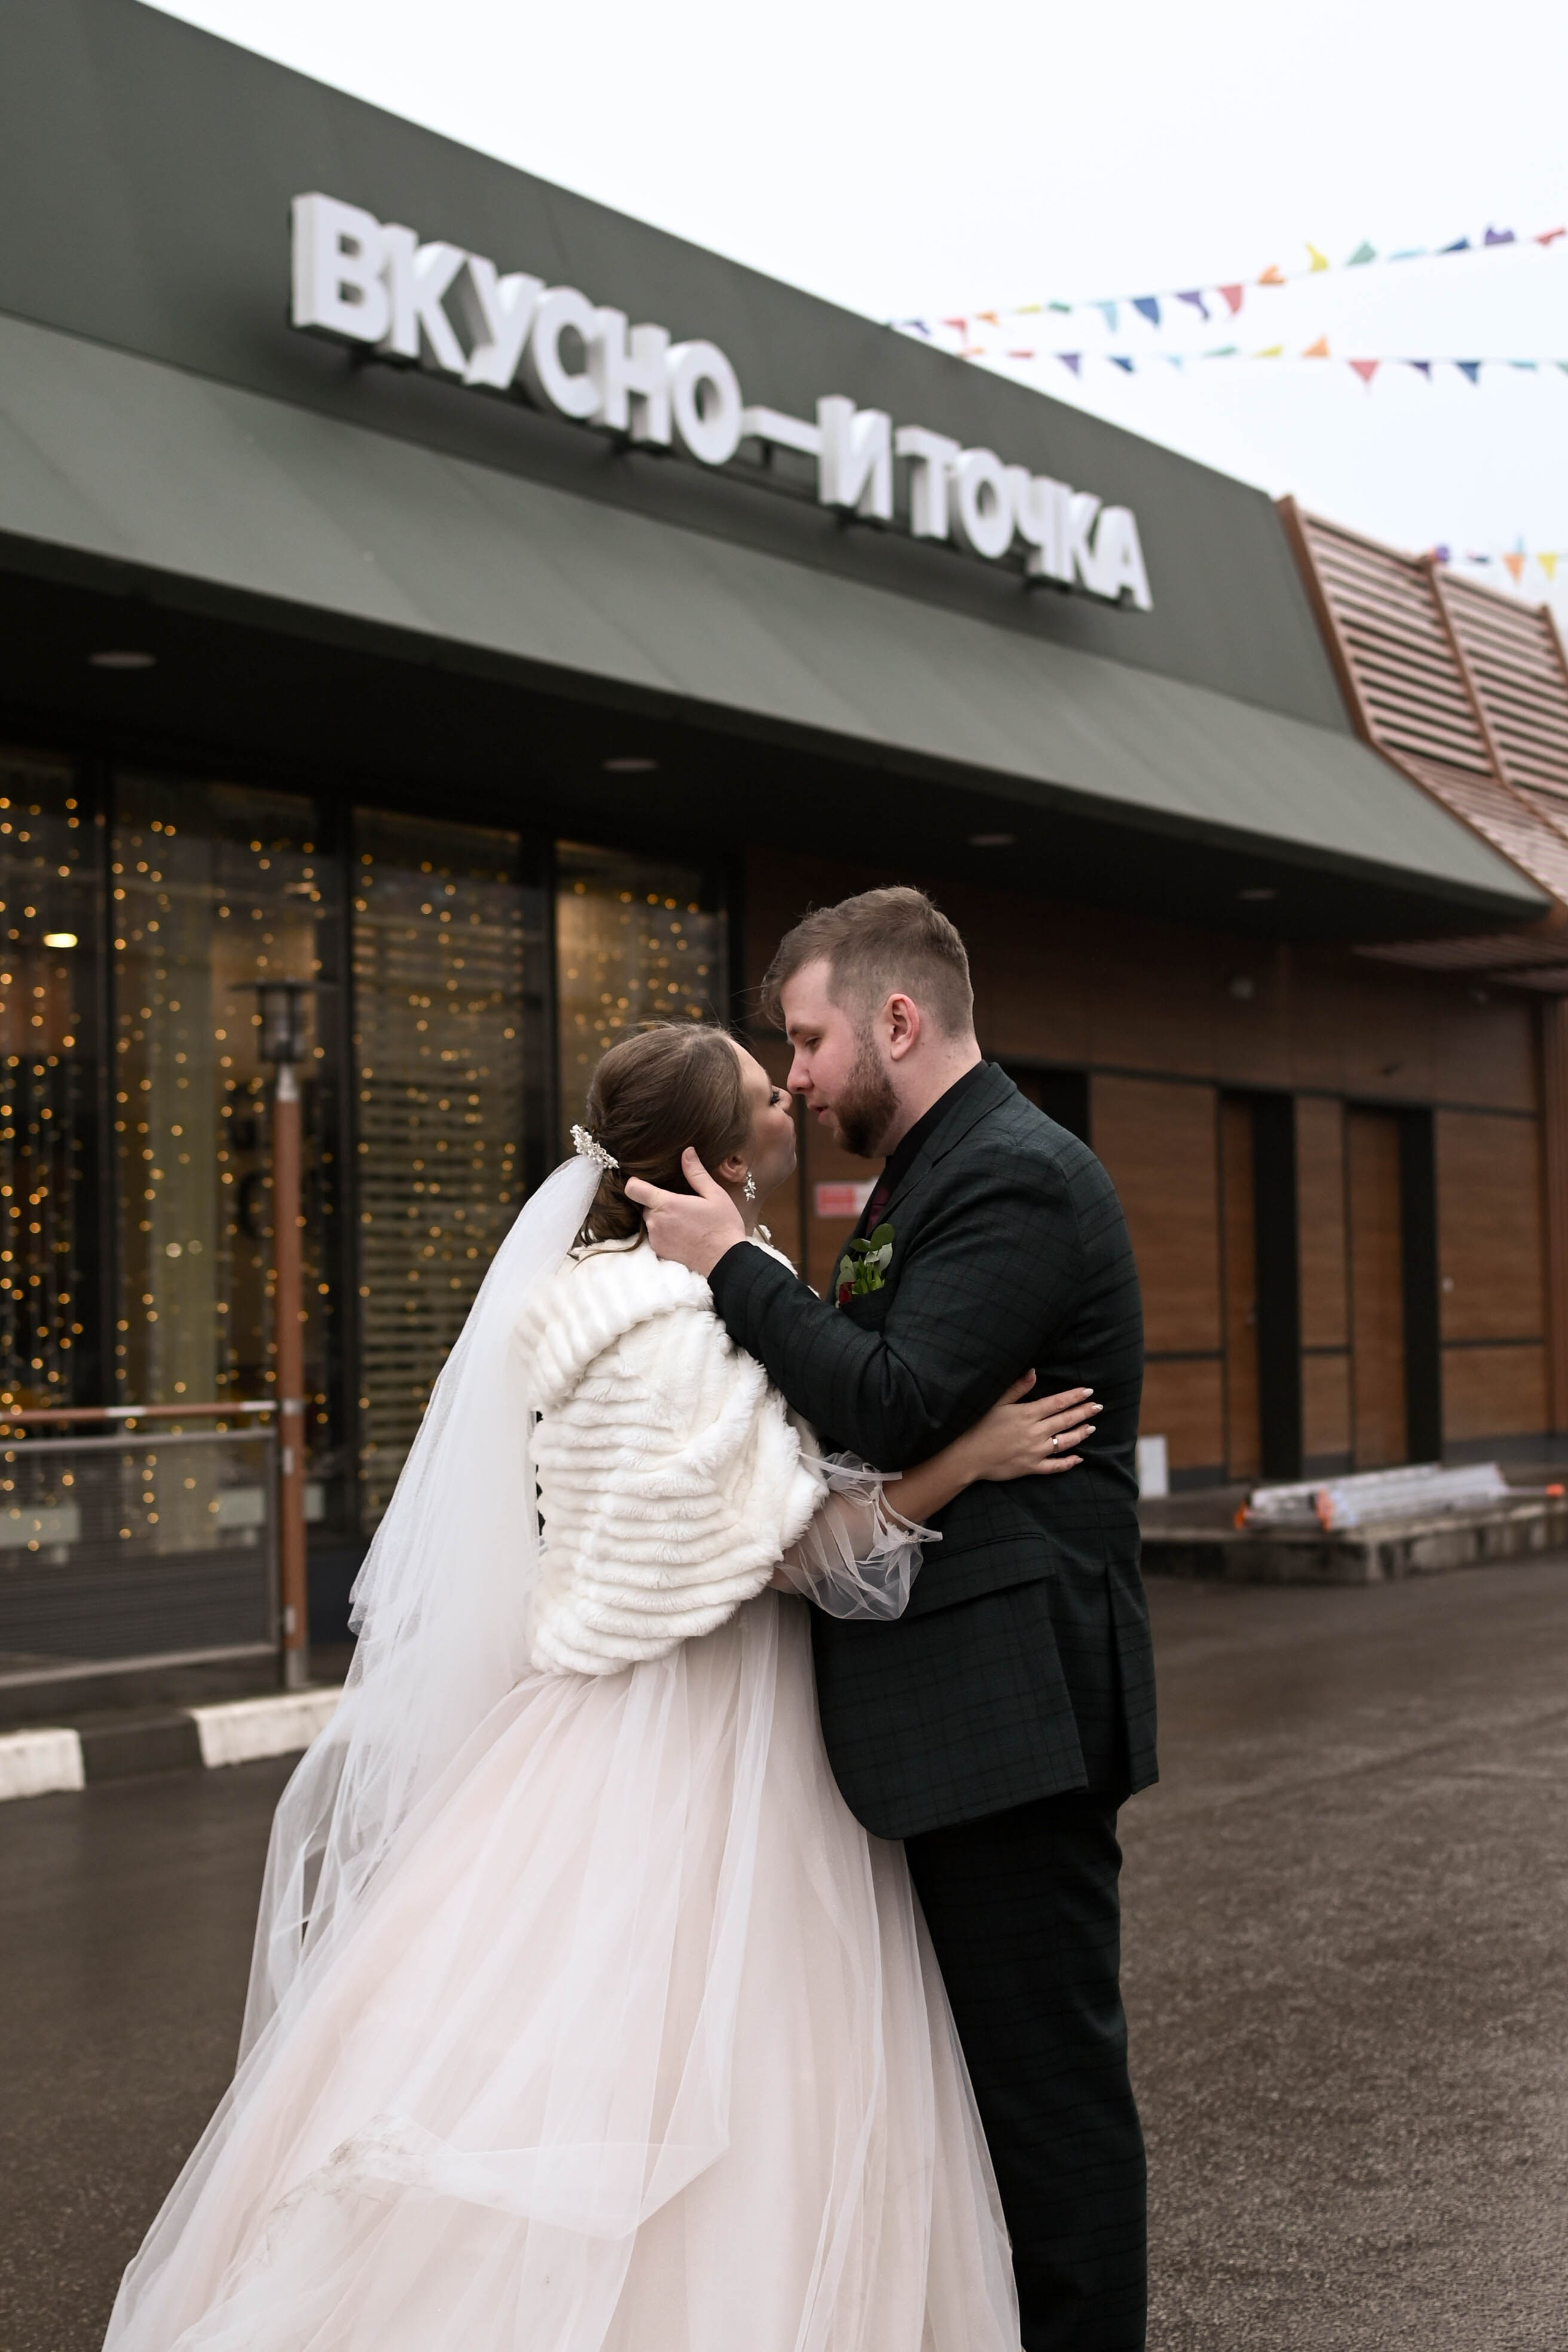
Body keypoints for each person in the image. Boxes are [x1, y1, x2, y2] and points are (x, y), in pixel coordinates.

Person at [103, 1018, 1102, 2352]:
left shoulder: (571, 1313)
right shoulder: (682, 1329)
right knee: (718, 2062)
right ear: (709, 1154)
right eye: (761, 1097)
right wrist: (968, 1454)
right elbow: (801, 1550)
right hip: (709, 1729)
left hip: (585, 1724)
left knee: (553, 2044)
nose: (784, 1105)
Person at [627, 888, 1156, 2352]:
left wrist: (733, 1263)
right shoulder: (928, 1175)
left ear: (896, 1020)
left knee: (1042, 2098)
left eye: (805, 1039)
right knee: (979, 2100)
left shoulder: (1012, 1178)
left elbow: (888, 1395)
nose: (790, 1075)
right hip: (952, 1718)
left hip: (1011, 1717)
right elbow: (873, 1373)